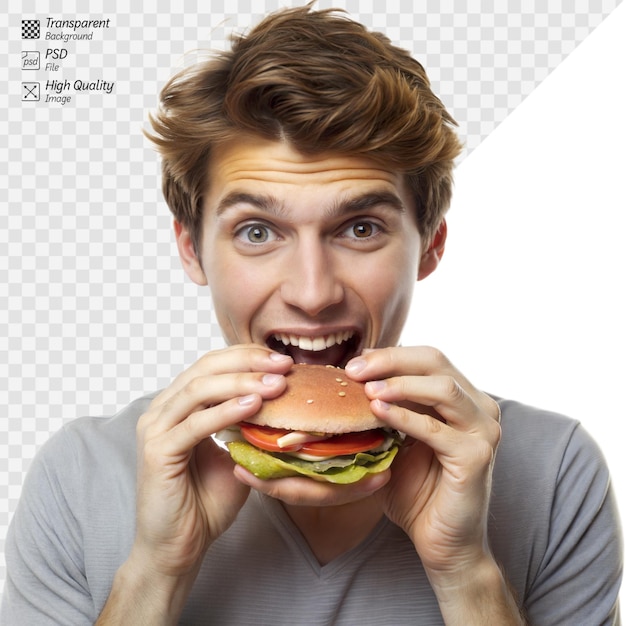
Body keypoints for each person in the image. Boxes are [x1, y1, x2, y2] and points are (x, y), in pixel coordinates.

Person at [2, 5, 622, 625]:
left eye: (359, 227)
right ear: (191, 248)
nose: (312, 292)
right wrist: (157, 568)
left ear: (430, 244)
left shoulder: (553, 470)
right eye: (256, 232)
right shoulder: (79, 475)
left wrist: (465, 571)